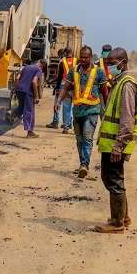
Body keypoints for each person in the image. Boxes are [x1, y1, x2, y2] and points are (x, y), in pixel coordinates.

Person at [94, 47, 137, 234]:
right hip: (111, 143)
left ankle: (117, 223)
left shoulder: (127, 85)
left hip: (115, 144)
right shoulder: (119, 82)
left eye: (113, 64)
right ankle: (124, 216)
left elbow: (127, 120)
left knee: (113, 180)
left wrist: (118, 146)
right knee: (112, 178)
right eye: (108, 64)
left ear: (123, 62)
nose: (110, 67)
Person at [54, 46, 108, 178]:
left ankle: (85, 164)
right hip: (77, 111)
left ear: (91, 57)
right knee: (79, 140)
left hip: (92, 110)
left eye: (86, 57)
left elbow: (104, 91)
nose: (83, 59)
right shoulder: (73, 71)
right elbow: (66, 88)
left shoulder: (99, 72)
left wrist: (107, 107)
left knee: (88, 138)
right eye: (81, 57)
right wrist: (58, 101)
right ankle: (82, 164)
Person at [45, 47, 75, 132]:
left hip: (64, 85)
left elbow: (59, 76)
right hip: (75, 86)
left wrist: (57, 88)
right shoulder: (77, 61)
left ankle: (58, 123)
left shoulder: (62, 62)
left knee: (62, 105)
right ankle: (70, 124)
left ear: (65, 53)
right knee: (73, 107)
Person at [13, 59, 44, 137]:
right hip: (28, 91)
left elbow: (17, 78)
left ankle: (10, 114)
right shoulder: (39, 69)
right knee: (29, 110)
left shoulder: (26, 67)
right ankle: (30, 131)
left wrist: (16, 91)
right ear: (42, 66)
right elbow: (34, 81)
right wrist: (37, 96)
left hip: (20, 89)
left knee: (21, 107)